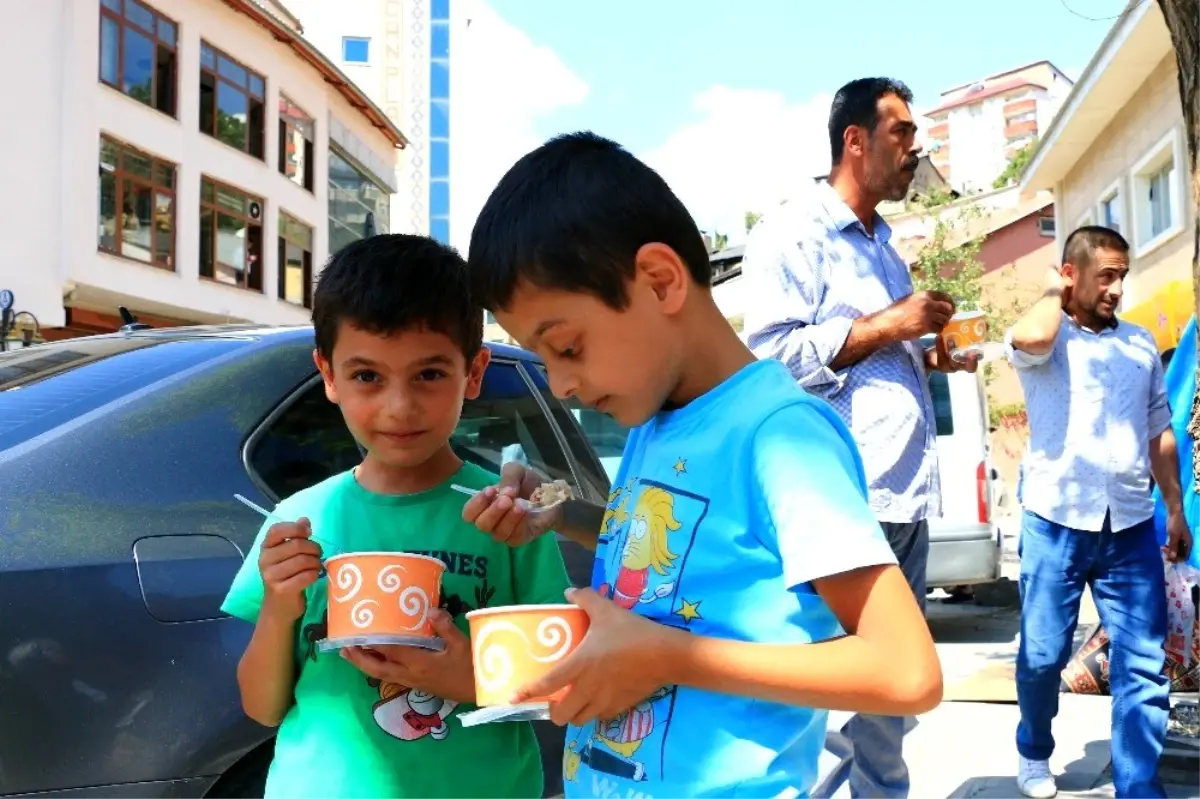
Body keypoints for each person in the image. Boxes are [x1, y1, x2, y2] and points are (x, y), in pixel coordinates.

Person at [460, 131, 943, 799]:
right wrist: (560, 515)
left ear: (659, 280)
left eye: (567, 345)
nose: (562, 384)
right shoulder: (654, 422)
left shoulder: (779, 437)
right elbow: (685, 550)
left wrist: (666, 658)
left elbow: (906, 669)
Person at [220, 234, 569, 798]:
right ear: (328, 374)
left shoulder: (507, 518)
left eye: (429, 374)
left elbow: (558, 688)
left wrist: (464, 678)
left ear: (473, 371)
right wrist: (280, 607)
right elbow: (262, 709)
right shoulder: (300, 518)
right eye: (367, 377)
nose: (399, 407)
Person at [739, 76, 977, 798]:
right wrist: (889, 325)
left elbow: (876, 354)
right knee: (810, 683)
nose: (916, 148)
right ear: (856, 140)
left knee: (888, 698)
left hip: (901, 497)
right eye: (903, 133)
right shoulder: (791, 234)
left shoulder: (883, 247)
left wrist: (929, 353)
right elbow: (771, 359)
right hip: (838, 500)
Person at [1006, 225, 1192, 799]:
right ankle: (1034, 750)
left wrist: (1176, 509)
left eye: (1122, 276)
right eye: (1105, 275)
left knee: (1141, 662)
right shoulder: (1049, 335)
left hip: (1130, 527)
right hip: (1055, 522)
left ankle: (1138, 785)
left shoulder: (1139, 345)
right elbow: (1030, 338)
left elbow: (1159, 430)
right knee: (1043, 654)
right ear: (1071, 274)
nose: (1116, 289)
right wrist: (1048, 293)